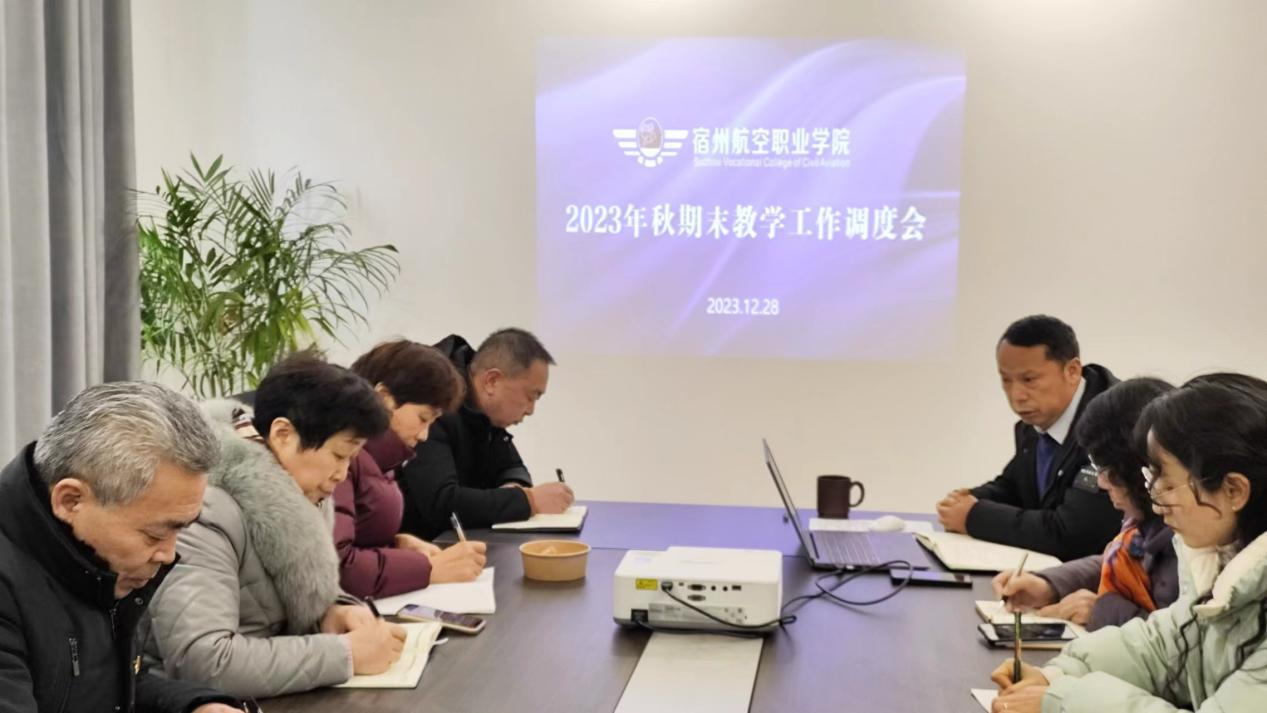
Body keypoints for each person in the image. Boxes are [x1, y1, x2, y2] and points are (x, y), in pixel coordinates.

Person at [989, 378, 1267, 712]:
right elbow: (1160, 649)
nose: (1156, 502)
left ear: (1234, 491)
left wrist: (1064, 701)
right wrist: (1057, 676)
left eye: (1165, 483)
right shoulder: (1216, 569)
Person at [145, 353, 407, 698]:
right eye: (339, 455)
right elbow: (204, 662)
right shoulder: (204, 512)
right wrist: (344, 654)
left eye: (351, 460)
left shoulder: (300, 495)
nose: (342, 474)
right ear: (283, 434)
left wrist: (331, 613)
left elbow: (283, 605)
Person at [0, 382, 242, 712]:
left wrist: (195, 705)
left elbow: (102, 683)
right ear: (71, 500)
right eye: (154, 535)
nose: (168, 554)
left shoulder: (90, 561)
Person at [992, 378, 1178, 631]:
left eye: (1108, 468)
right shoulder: (1143, 520)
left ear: (1139, 468)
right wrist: (1048, 584)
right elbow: (1113, 562)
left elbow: (1181, 638)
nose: (1101, 482)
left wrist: (1100, 613)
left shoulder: (1186, 537)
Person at [937, 315, 1121, 560]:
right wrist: (971, 499)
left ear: (1072, 371)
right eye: (1006, 380)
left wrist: (974, 516)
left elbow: (1073, 534)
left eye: (1029, 380)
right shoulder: (1034, 423)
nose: (1017, 396)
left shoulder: (1112, 428)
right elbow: (1016, 488)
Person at [336, 339, 488, 598]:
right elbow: (339, 566)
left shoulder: (382, 460)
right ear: (384, 398)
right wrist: (427, 569)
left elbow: (359, 540)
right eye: (423, 418)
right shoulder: (341, 459)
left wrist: (397, 545)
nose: (424, 435)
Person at [398, 328, 574, 539]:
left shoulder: (485, 414)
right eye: (530, 397)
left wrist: (513, 487)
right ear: (492, 381)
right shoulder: (436, 402)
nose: (531, 410)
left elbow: (512, 467)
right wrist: (528, 501)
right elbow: (441, 502)